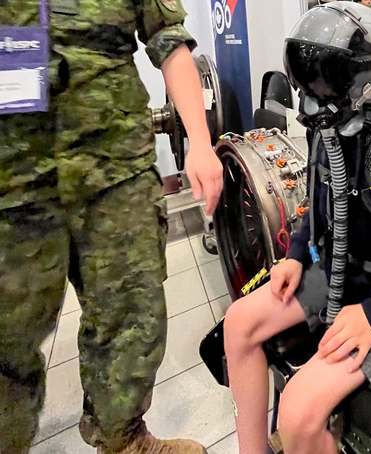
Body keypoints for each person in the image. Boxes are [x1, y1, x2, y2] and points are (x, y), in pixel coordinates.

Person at [223, 3, 371, 454]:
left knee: (298, 413)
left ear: (367, 82)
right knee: (237, 323)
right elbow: (320, 205)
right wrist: (296, 253)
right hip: (337, 271)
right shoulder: (328, 129)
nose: (311, 99)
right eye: (307, 80)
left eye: (325, 80)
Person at [0, 1, 222, 454]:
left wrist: (199, 142)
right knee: (7, 338)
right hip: (13, 181)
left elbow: (171, 40)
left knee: (131, 314)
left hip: (116, 169)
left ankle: (121, 436)